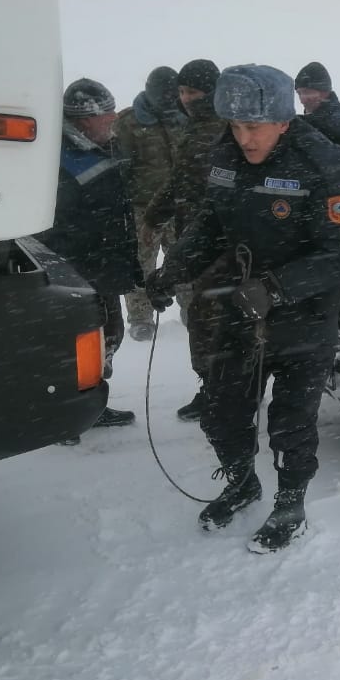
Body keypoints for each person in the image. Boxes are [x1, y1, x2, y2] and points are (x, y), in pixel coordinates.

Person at [144, 64, 340, 553]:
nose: (244, 138)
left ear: (284, 121)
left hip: (304, 313)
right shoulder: (227, 157)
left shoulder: (325, 165)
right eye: (237, 126)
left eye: (254, 126)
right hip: (242, 308)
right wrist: (173, 271)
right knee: (222, 409)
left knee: (290, 420)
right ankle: (243, 483)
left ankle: (291, 501)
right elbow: (211, 224)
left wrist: (277, 288)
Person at [38, 78, 141, 433]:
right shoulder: (60, 160)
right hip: (79, 272)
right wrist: (85, 264)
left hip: (102, 266)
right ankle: (66, 415)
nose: (113, 123)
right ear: (83, 121)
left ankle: (89, 405)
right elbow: (57, 228)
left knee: (106, 337)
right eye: (106, 118)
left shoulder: (100, 146)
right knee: (79, 343)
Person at [141, 58, 227, 421]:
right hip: (197, 235)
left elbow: (213, 191)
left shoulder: (223, 129)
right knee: (204, 316)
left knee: (214, 318)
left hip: (217, 240)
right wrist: (155, 215)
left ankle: (222, 392)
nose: (185, 98)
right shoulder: (197, 127)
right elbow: (179, 180)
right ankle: (215, 388)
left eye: (192, 92)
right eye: (181, 91)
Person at [114, 65, 187, 341]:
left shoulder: (184, 118)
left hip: (180, 207)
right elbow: (120, 168)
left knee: (184, 262)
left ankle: (192, 311)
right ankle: (141, 319)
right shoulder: (129, 122)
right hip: (142, 209)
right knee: (142, 266)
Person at [294, 62, 340, 240]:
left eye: (308, 92)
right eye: (299, 93)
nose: (303, 98)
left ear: (324, 91)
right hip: (319, 205)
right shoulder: (312, 119)